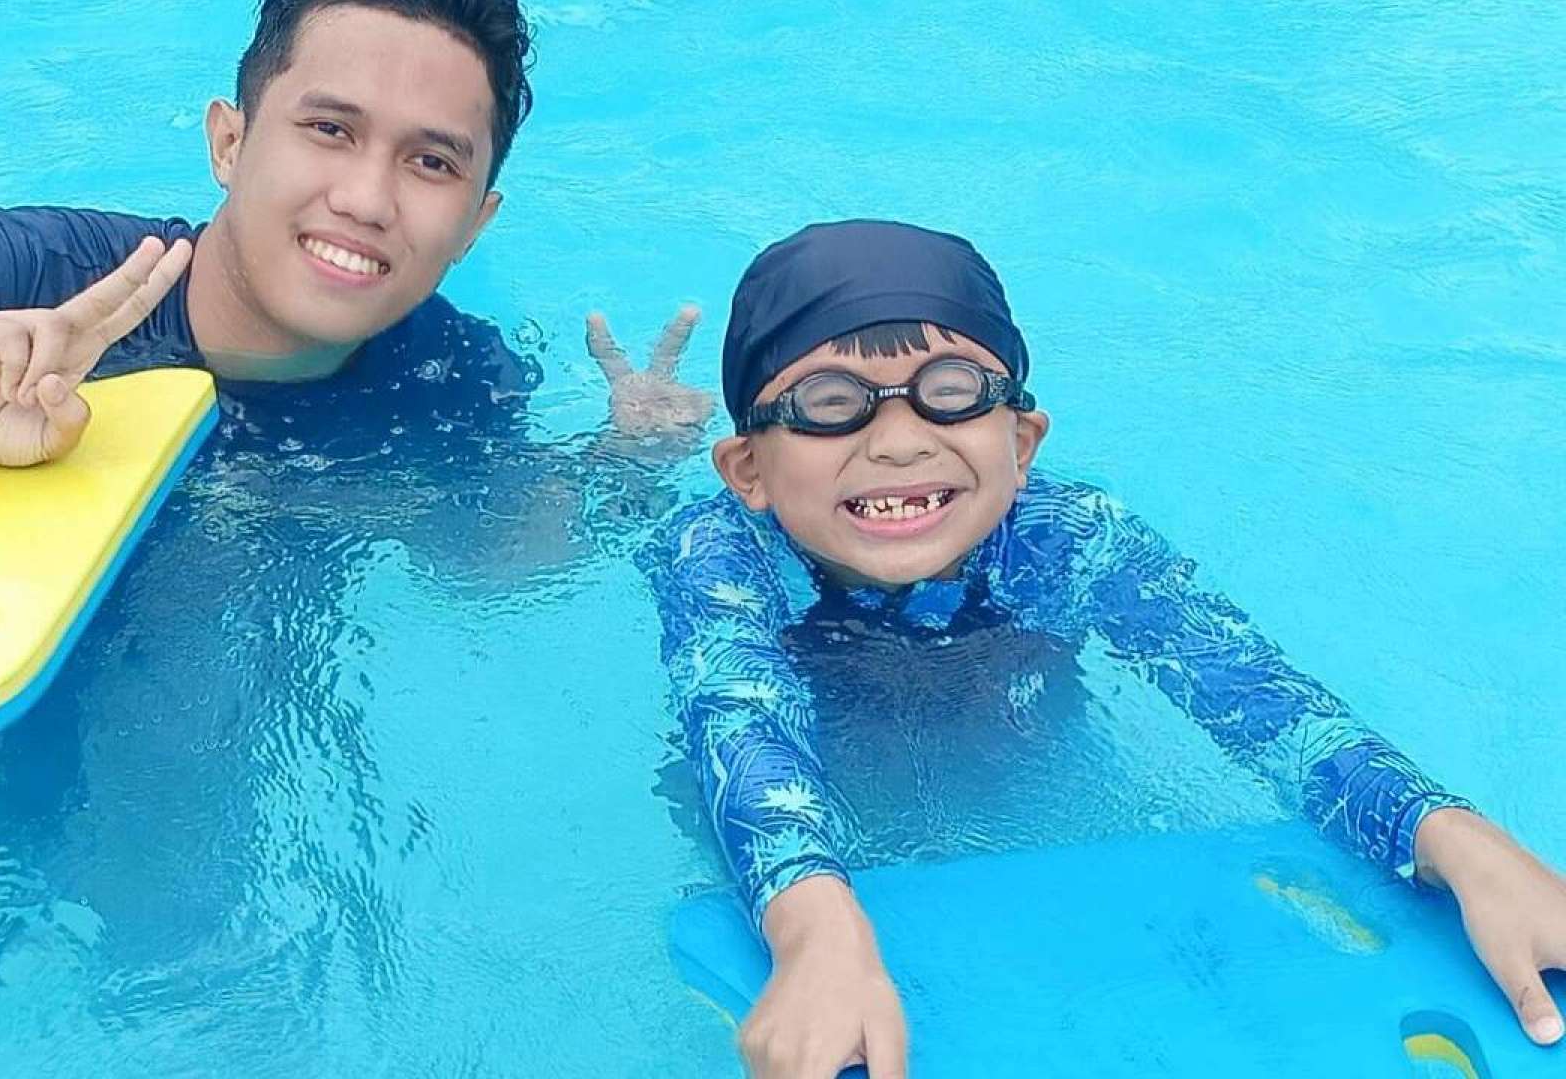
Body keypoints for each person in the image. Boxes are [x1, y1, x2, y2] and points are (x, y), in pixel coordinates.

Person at [642, 220, 1566, 1079]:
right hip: (812, 788)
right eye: (830, 403)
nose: (898, 442)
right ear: (748, 469)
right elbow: (742, 724)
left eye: (953, 393)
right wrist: (813, 930)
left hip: (1011, 764)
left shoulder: (1070, 538)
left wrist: (1454, 837)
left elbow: (1258, 697)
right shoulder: (716, 552)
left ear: (1022, 442)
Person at [0, 0, 710, 492]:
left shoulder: (450, 376)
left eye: (431, 162)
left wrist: (624, 466)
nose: (366, 198)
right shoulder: (18, 280)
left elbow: (493, 565)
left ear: (475, 222)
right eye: (329, 129)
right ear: (229, 142)